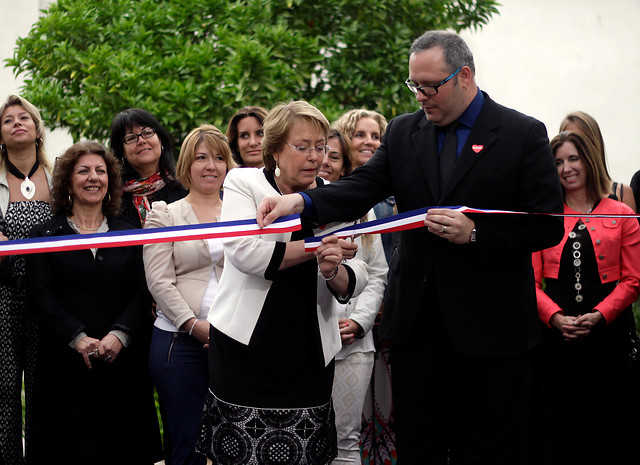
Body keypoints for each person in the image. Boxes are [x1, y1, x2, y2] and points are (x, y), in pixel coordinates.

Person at [256, 31, 565, 465]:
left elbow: (548, 225)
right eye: (412, 85)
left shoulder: (520, 133)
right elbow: (361, 187)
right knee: (418, 448)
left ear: (464, 77)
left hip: (492, 334)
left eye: (429, 86)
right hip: (417, 331)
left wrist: (476, 233)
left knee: (492, 448)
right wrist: (303, 200)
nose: (419, 96)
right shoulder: (404, 132)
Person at [196, 100, 367, 465]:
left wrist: (333, 269)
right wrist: (318, 247)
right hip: (245, 346)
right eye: (302, 147)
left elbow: (359, 273)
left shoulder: (334, 194)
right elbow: (246, 253)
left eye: (320, 147)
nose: (314, 157)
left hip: (308, 350)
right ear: (274, 150)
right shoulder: (245, 182)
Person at [25, 141, 162, 464]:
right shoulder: (44, 234)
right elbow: (39, 293)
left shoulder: (130, 233)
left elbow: (143, 292)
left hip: (122, 365)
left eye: (100, 171)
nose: (93, 178)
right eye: (83, 170)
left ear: (110, 181)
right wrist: (77, 337)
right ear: (68, 181)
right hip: (64, 365)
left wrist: (120, 335)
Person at [532, 131, 640, 465]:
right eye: (559, 162)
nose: (566, 168)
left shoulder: (622, 213)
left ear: (589, 160)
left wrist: (600, 314)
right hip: (556, 341)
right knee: (559, 430)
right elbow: (529, 283)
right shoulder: (544, 216)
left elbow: (633, 279)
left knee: (612, 429)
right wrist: (554, 317)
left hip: (610, 339)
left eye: (573, 159)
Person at [144, 124, 235, 465]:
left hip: (233, 340)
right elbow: (158, 281)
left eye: (218, 158)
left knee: (233, 441)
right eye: (201, 158)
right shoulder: (163, 214)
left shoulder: (244, 214)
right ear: (186, 165)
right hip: (177, 343)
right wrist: (193, 325)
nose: (210, 166)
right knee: (188, 444)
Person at [320, 129, 388, 464]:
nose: (324, 161)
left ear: (346, 165)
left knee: (345, 441)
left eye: (333, 156)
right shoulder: (295, 204)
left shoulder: (364, 211)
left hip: (354, 345)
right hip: (309, 344)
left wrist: (360, 322)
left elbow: (376, 273)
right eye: (319, 152)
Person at [0, 94, 52, 465]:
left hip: (49, 300)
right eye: (8, 120)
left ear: (37, 130)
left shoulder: (60, 177)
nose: (17, 123)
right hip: (2, 297)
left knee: (43, 388)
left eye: (25, 118)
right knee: (2, 389)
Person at [109, 108, 187, 228]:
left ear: (160, 139)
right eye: (131, 138)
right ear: (122, 152)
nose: (141, 141)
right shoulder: (114, 198)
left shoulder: (185, 186)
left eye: (147, 133)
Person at [559, 111, 636, 212]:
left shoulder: (621, 193)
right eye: (570, 141)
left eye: (583, 141)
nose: (576, 148)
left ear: (595, 144)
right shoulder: (554, 197)